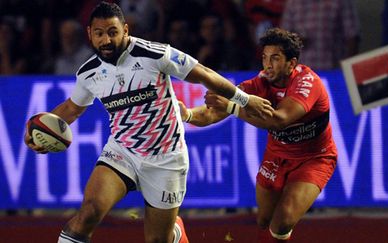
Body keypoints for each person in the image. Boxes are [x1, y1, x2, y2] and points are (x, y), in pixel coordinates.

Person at [24, 2, 273, 243]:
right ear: (90, 34)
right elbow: (71, 108)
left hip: (167, 159)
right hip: (122, 152)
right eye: (99, 34)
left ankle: (173, 233)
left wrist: (244, 99)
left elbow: (205, 75)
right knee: (89, 212)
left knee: (157, 239)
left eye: (112, 32)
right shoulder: (89, 73)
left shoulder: (155, 54)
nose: (106, 40)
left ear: (126, 30)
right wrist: (39, 128)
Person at [179, 28, 338, 242]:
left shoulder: (307, 83)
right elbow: (215, 111)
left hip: (314, 158)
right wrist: (187, 114)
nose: (267, 64)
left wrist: (233, 107)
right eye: (264, 57)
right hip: (277, 155)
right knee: (264, 220)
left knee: (282, 221)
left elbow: (279, 120)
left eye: (275, 58)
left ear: (291, 64)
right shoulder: (260, 82)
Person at [279, 0, 360, 70]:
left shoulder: (341, 2)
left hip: (334, 70)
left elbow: (352, 36)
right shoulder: (293, 3)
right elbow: (283, 38)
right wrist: (295, 40)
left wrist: (348, 70)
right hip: (303, 73)